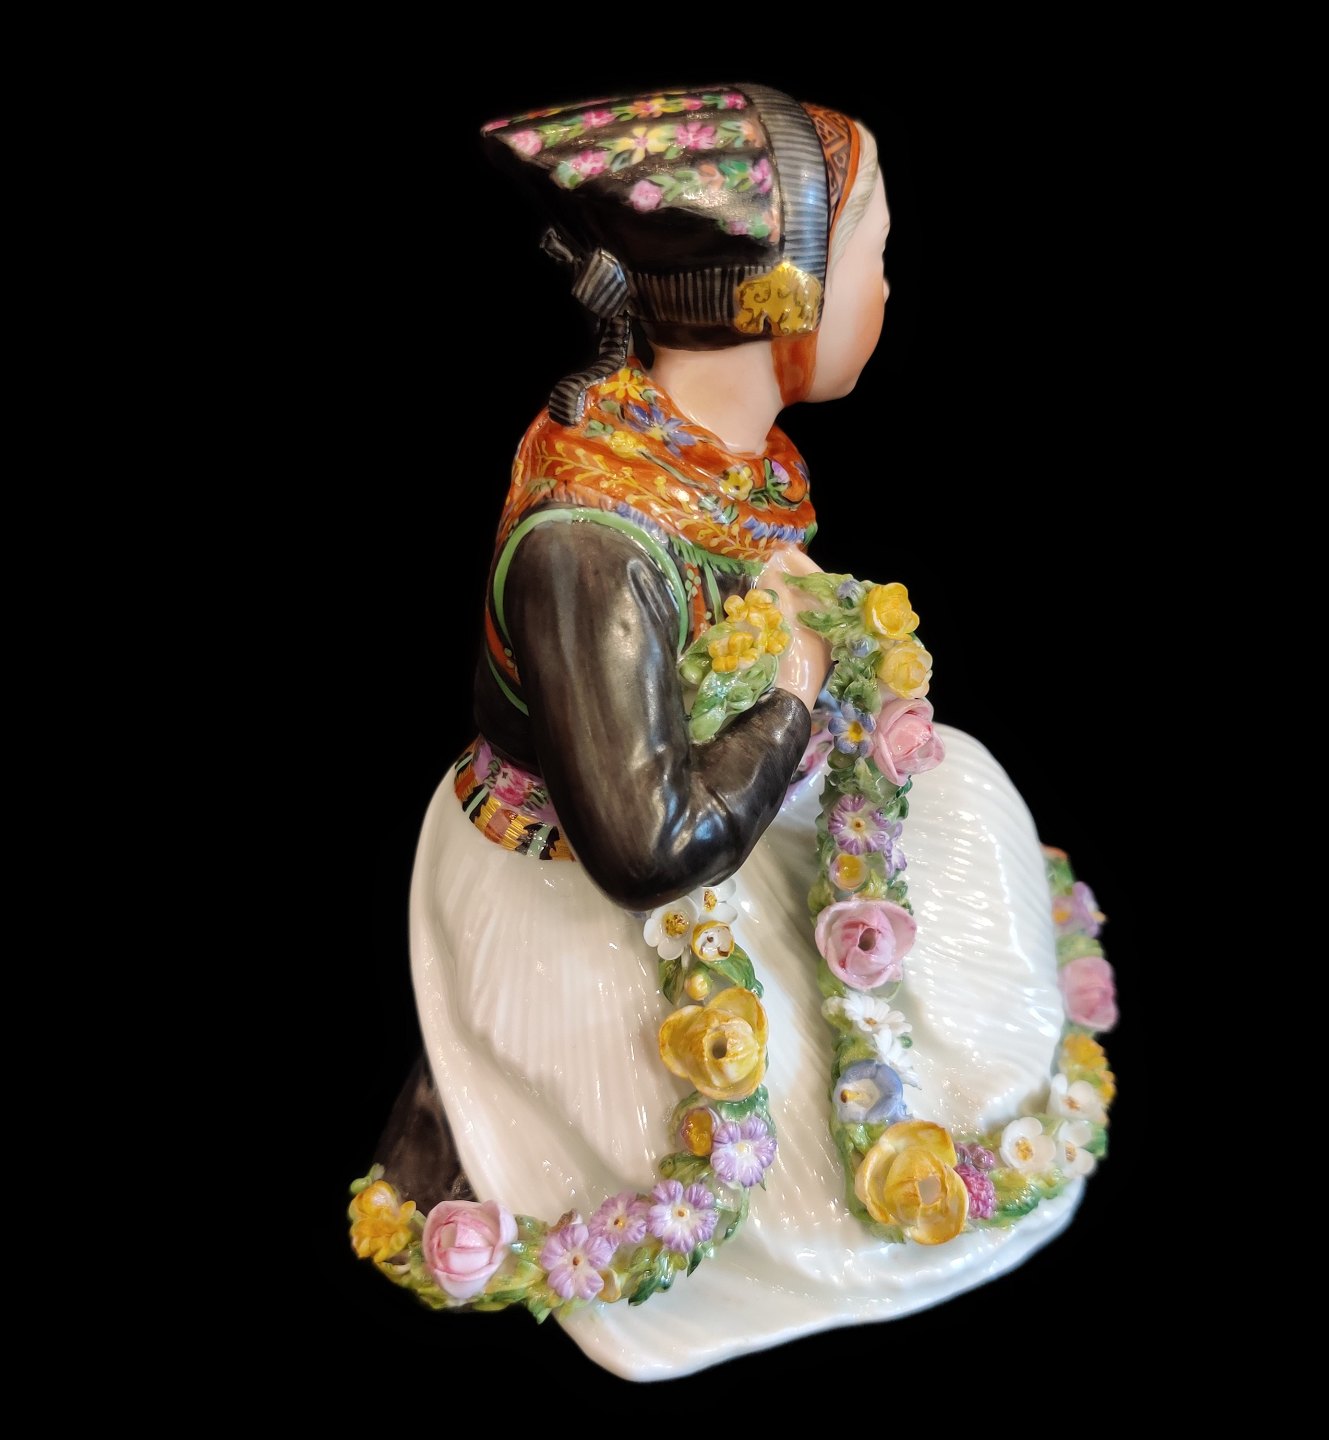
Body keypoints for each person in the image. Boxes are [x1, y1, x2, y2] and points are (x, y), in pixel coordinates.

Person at [362, 84, 1080, 1379]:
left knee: (963, 812)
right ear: (779, 298)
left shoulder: (703, 450)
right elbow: (645, 847)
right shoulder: (591, 544)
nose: (889, 289)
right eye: (872, 257)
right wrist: (795, 688)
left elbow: (742, 579)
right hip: (589, 875)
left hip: (732, 793)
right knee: (753, 1110)